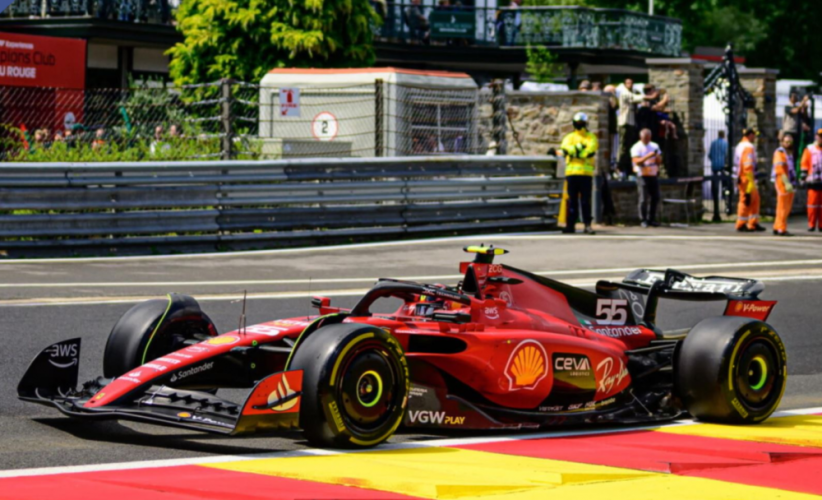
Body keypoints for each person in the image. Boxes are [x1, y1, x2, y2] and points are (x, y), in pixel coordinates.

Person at [559, 112, 598, 234]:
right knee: (572, 201)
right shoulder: (569, 137)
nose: (580, 125)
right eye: (578, 123)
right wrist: (580, 149)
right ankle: (570, 226)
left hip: (585, 174)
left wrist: (575, 151)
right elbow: (565, 149)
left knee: (585, 201)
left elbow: (590, 150)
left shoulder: (591, 137)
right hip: (571, 173)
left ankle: (587, 225)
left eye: (582, 123)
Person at [616, 79, 656, 177]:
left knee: (629, 146)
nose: (630, 85)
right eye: (628, 83)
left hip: (631, 123)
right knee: (623, 147)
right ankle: (619, 167)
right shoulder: (624, 93)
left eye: (631, 83)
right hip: (625, 123)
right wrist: (651, 96)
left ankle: (627, 168)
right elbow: (636, 98)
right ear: (624, 84)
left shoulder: (631, 92)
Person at [734, 128, 766, 232]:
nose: (755, 137)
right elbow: (747, 165)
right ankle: (741, 223)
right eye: (754, 135)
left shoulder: (740, 145)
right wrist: (751, 181)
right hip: (747, 178)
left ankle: (753, 222)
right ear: (750, 135)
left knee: (755, 200)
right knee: (746, 200)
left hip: (746, 177)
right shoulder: (748, 147)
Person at [631, 128, 662, 227]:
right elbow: (637, 161)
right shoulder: (636, 147)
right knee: (643, 198)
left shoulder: (654, 146)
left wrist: (657, 157)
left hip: (653, 174)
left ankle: (651, 218)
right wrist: (649, 156)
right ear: (641, 137)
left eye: (648, 138)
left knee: (655, 197)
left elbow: (659, 161)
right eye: (645, 138)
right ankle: (643, 219)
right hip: (642, 175)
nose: (647, 140)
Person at [771, 134, 796, 236]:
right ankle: (781, 228)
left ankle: (777, 226)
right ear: (782, 142)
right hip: (782, 182)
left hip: (789, 182)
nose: (788, 144)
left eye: (790, 142)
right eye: (786, 142)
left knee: (786, 207)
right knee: (783, 207)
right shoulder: (780, 152)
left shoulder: (788, 153)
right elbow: (780, 170)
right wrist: (786, 182)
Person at [800, 129, 822, 231]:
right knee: (812, 204)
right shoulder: (810, 149)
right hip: (813, 181)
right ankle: (811, 224)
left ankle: (821, 225)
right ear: (816, 136)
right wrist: (803, 177)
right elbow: (804, 164)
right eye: (820, 136)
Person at [708, 130, 728, 210]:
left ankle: (715, 201)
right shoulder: (725, 143)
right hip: (723, 167)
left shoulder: (713, 143)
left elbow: (709, 155)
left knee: (715, 186)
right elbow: (727, 155)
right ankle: (725, 199)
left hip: (714, 167)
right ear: (723, 135)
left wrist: (714, 160)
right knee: (725, 185)